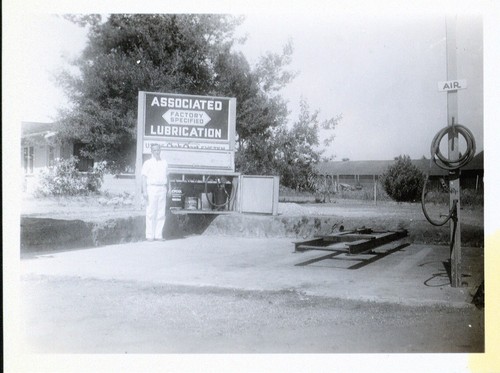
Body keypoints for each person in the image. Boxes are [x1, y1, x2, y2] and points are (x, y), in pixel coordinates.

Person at [141, 144, 169, 241]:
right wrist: (144, 191)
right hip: (151, 189)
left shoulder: (164, 163)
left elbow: (167, 177)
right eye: (154, 150)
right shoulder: (147, 163)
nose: (157, 152)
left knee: (161, 212)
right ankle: (149, 235)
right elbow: (144, 178)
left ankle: (158, 235)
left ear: (160, 150)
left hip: (162, 188)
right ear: (151, 151)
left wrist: (168, 189)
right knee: (150, 212)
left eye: (158, 150)